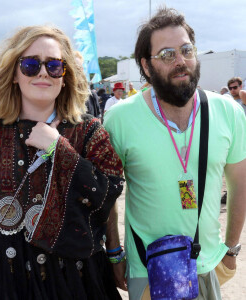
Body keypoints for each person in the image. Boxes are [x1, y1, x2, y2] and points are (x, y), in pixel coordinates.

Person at [0, 25, 125, 300]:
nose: (43, 72)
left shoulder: (89, 131)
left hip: (76, 281)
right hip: (3, 279)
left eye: (54, 66)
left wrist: (59, 149)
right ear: (15, 74)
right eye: (30, 64)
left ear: (64, 77)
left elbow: (105, 197)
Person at [104, 7, 246, 300]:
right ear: (146, 65)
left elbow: (240, 185)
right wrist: (115, 254)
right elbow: (108, 197)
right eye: (167, 54)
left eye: (186, 50)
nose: (181, 61)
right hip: (148, 268)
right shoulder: (120, 119)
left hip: (206, 263)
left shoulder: (228, 111)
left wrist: (231, 248)